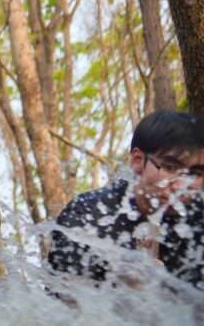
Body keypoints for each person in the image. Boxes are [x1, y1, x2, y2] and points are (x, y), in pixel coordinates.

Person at [48, 111, 204, 289]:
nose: (181, 185)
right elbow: (62, 299)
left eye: (195, 173)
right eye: (170, 167)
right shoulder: (89, 215)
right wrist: (129, 294)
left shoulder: (197, 221)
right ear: (137, 161)